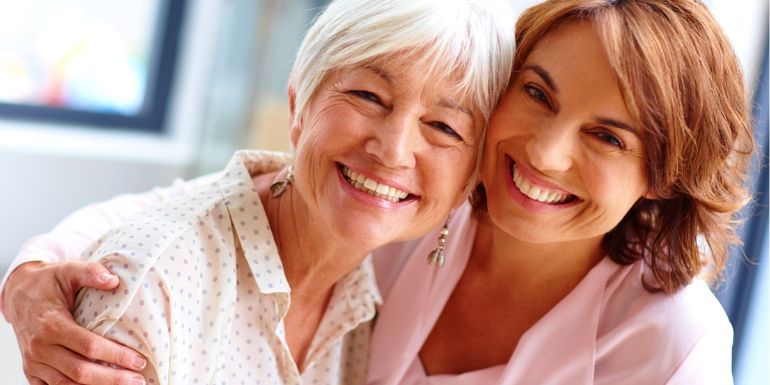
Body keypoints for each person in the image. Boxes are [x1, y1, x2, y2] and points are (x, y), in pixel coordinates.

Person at [2, 0, 754, 384]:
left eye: (608, 136)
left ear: (663, 173)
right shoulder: (416, 207)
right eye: (537, 93)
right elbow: (203, 206)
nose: (547, 152)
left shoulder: (671, 341)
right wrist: (31, 279)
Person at [1, 0, 515, 384]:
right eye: (367, 95)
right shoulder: (154, 288)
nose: (394, 149)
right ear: (298, 104)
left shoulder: (377, 289)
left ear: (470, 178)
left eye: (445, 127)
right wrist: (27, 271)